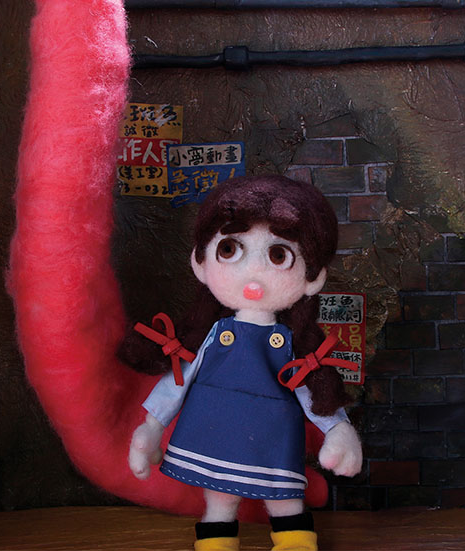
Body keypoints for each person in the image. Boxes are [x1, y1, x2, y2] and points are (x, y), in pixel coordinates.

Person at [123, 174, 363, 551]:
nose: (253, 273)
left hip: (274, 437)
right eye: (230, 249)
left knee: (284, 499)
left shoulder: (292, 343)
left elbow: (312, 390)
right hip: (217, 432)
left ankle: (296, 544)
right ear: (201, 262)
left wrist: (337, 429)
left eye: (278, 255)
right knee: (220, 499)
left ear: (313, 277)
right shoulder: (211, 335)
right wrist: (152, 426)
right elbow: (178, 381)